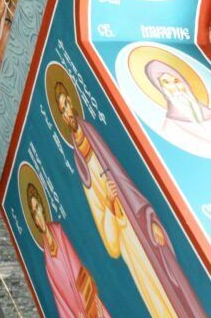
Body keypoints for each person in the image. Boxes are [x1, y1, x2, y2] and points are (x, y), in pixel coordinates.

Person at [51, 73, 203, 318]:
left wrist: (150, 218)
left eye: (68, 103)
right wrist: (112, 207)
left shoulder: (94, 135)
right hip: (128, 240)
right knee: (154, 296)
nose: (68, 111)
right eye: (62, 109)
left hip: (140, 222)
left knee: (173, 284)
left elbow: (127, 183)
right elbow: (108, 240)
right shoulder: (81, 165)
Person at [24, 174, 113, 318]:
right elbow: (60, 299)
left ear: (42, 208)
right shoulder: (47, 258)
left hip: (85, 299)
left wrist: (87, 306)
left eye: (37, 208)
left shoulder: (59, 231)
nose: (37, 216)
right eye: (34, 213)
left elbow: (77, 268)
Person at [141, 57, 211, 152]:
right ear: (160, 87)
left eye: (176, 81)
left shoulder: (207, 112)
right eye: (166, 82)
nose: (175, 86)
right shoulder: (171, 126)